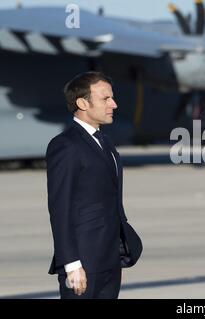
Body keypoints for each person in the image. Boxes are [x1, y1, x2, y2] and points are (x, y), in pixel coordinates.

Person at [46, 72, 142, 299]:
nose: (114, 104)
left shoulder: (105, 142)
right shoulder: (66, 146)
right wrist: (71, 263)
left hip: (109, 258)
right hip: (83, 261)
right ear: (82, 103)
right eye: (105, 99)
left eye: (112, 98)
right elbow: (60, 209)